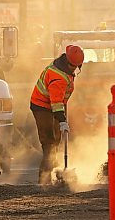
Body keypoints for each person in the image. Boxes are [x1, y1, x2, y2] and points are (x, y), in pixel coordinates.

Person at [30, 44, 84, 185]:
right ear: (67, 62)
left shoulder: (63, 67)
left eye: (77, 66)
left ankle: (54, 169)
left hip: (54, 105)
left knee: (57, 139)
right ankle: (44, 180)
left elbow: (59, 101)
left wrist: (62, 120)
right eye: (74, 66)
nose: (75, 69)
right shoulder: (58, 77)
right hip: (42, 106)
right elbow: (56, 103)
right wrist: (62, 121)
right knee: (49, 141)